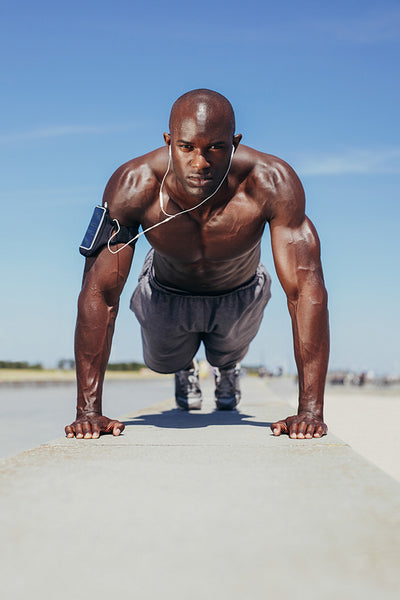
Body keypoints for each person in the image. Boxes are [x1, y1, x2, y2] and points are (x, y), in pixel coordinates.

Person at [65, 89, 329, 441]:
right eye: (187, 147)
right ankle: (183, 368)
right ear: (168, 141)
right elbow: (99, 293)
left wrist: (310, 411)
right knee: (162, 362)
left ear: (234, 143)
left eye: (216, 148)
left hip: (240, 291)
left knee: (226, 354)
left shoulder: (271, 182)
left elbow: (305, 290)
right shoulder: (134, 184)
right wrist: (88, 413)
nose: (201, 163)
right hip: (165, 293)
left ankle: (227, 369)